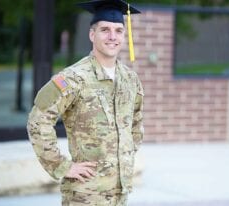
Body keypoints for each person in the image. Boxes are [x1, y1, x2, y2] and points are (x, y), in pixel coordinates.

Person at [27, 0, 144, 205]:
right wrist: (62, 166)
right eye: (105, 30)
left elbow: (135, 122)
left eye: (118, 31)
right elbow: (38, 120)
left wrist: (125, 158)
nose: (112, 37)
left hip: (120, 192)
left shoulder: (130, 79)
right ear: (92, 34)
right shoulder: (73, 78)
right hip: (85, 195)